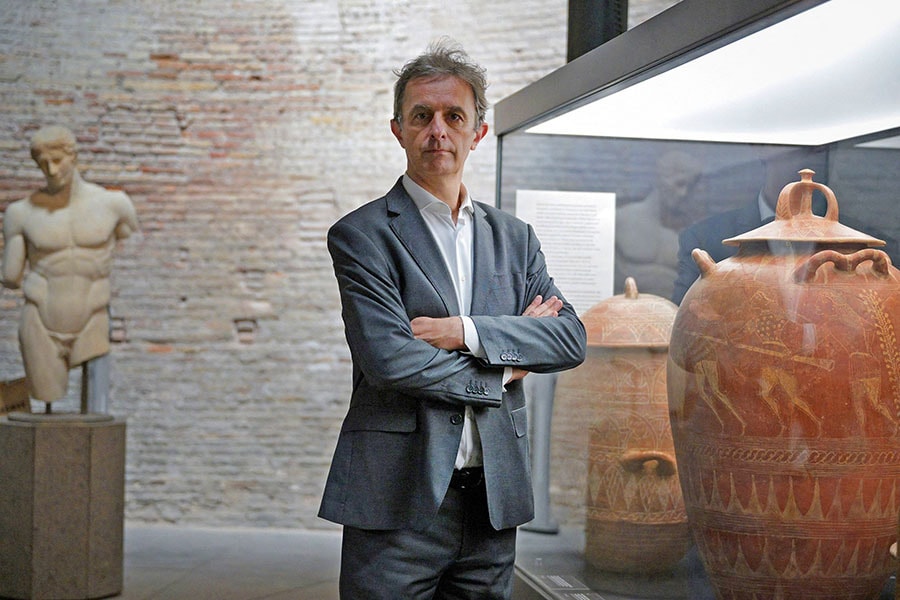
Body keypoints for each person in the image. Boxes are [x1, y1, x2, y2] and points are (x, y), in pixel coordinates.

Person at [318, 40, 587, 599]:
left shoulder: (515, 239)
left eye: (453, 116)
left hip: (493, 502)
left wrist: (465, 332)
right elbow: (391, 359)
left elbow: (567, 336)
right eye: (422, 116)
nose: (437, 130)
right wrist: (506, 368)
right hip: (398, 500)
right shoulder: (362, 235)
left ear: (478, 133)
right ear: (398, 129)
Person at [1, 125, 139, 406]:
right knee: (47, 407)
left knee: (95, 411)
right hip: (41, 322)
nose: (51, 170)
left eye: (57, 160)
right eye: (43, 164)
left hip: (93, 319)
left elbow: (131, 239)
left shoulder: (114, 204)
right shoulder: (21, 213)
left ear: (73, 156)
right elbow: (11, 277)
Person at [614, 151, 703, 299]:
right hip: (623, 312)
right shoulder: (623, 218)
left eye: (690, 186)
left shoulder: (691, 231)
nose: (683, 193)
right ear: (661, 179)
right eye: (679, 184)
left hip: (672, 313)